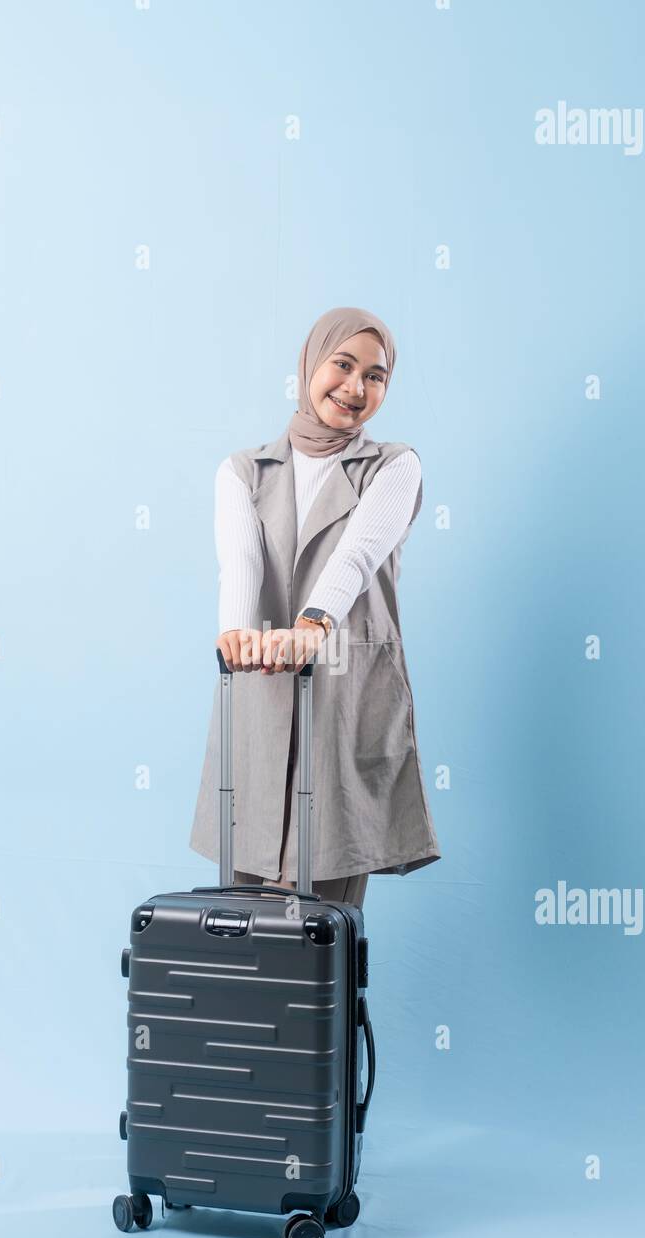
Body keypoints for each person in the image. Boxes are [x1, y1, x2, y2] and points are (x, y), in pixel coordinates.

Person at [189, 306, 441, 908]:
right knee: (242, 904)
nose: (355, 388)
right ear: (310, 365)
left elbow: (354, 558)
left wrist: (311, 624)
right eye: (344, 365)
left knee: (324, 906)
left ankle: (326, 1005)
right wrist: (236, 634)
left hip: (344, 692)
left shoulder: (394, 466)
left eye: (376, 376)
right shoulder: (244, 471)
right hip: (263, 689)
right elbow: (242, 565)